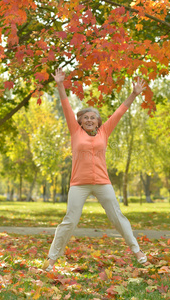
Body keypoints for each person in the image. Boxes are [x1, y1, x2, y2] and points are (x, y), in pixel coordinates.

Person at [42, 68, 147, 272]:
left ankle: (138, 252)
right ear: (80, 122)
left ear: (99, 122)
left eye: (93, 117)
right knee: (69, 221)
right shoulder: (75, 131)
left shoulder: (105, 132)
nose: (90, 120)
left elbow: (119, 111)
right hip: (78, 185)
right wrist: (60, 85)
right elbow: (66, 107)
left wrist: (134, 94)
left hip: (102, 183)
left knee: (117, 217)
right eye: (86, 117)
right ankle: (51, 260)